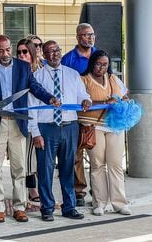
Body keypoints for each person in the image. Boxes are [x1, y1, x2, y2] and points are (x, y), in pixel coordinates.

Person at [0, 35, 58, 223]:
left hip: (17, 123)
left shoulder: (22, 67)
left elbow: (34, 87)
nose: (5, 54)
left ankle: (20, 206)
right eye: (0, 50)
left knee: (19, 166)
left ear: (10, 48)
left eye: (7, 50)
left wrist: (49, 98)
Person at [28, 40, 91, 222]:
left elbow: (82, 95)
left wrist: (86, 100)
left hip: (70, 126)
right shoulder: (37, 77)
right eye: (50, 52)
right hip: (46, 128)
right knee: (45, 169)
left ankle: (69, 206)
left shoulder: (73, 74)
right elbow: (31, 107)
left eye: (57, 51)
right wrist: (35, 133)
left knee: (68, 168)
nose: (54, 54)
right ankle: (47, 208)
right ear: (44, 55)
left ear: (61, 52)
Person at [78, 50, 131, 216]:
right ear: (92, 63)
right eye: (98, 63)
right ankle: (99, 203)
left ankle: (119, 203)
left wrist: (120, 100)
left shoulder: (113, 78)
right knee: (97, 164)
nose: (101, 67)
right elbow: (81, 103)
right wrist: (105, 102)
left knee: (115, 164)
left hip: (114, 126)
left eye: (105, 64)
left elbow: (125, 97)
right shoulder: (83, 80)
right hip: (93, 126)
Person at [62, 23, 98, 207]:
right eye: (85, 35)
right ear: (78, 37)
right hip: (76, 114)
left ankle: (98, 190)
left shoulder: (99, 55)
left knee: (97, 155)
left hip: (98, 114)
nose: (90, 38)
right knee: (76, 154)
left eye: (92, 34)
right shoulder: (68, 59)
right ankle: (79, 191)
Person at [16, 38, 41, 204]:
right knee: (23, 160)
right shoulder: (16, 72)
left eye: (25, 52)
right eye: (18, 52)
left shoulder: (40, 72)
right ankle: (28, 192)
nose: (22, 55)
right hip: (22, 120)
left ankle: (37, 190)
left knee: (37, 160)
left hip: (41, 119)